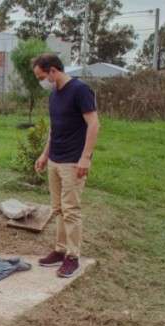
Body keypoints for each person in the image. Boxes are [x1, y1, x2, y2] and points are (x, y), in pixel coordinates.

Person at [31, 53, 100, 278]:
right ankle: (60, 251)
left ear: (53, 70)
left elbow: (94, 124)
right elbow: (55, 127)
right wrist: (44, 155)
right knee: (58, 209)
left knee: (71, 210)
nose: (42, 81)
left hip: (73, 161)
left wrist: (86, 157)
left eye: (42, 76)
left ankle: (73, 257)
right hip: (55, 160)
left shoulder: (80, 90)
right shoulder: (54, 94)